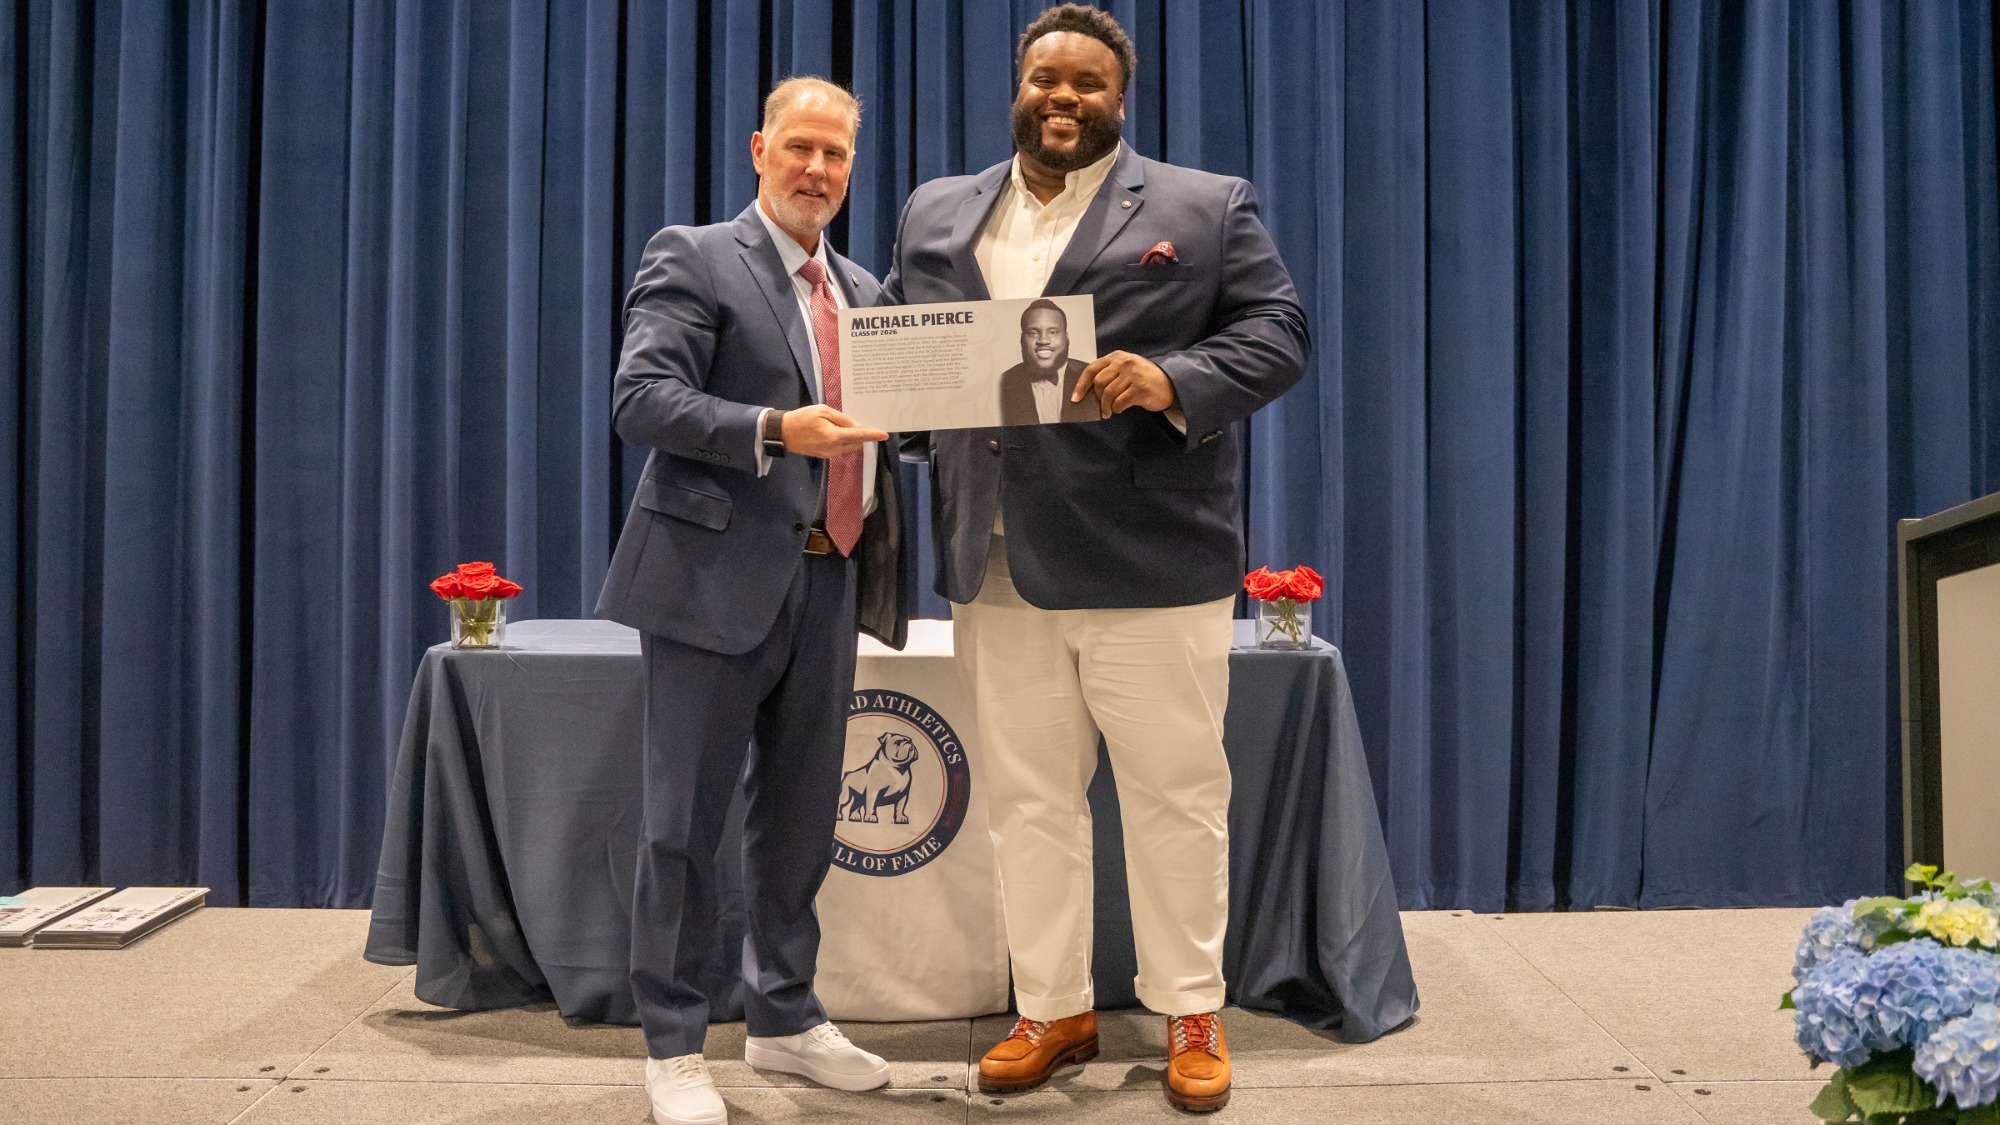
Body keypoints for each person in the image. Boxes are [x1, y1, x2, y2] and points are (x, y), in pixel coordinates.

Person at [881, 4, 1308, 1114]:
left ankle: (1190, 1012)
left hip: (1149, 560)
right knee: (1026, 801)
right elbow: (901, 342)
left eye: (1086, 85)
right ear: (1017, 86)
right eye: (1044, 80)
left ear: (1119, 100)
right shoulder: (936, 207)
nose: (1062, 98)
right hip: (994, 558)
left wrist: (1172, 380)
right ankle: (1053, 1008)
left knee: (1175, 795)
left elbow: (1276, 334)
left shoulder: (1201, 206)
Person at [597, 76, 909, 1125]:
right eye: (800, 149)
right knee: (683, 823)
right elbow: (643, 400)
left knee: (802, 819)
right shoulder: (693, 255)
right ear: (759, 150)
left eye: (836, 155)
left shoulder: (865, 289)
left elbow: (892, 426)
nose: (817, 170)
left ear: (852, 168)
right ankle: (675, 1044)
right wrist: (775, 430)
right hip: (707, 584)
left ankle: (782, 1017)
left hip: (830, 576)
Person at [997, 298, 1096, 424]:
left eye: (1053, 332)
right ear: (1022, 340)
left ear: (1066, 338)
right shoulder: (1002, 383)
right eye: (1033, 333)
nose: (1043, 340)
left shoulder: (1093, 376)